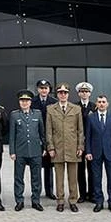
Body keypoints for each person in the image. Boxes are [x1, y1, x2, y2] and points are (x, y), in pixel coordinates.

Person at [46, 83, 83, 212]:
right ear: (57, 94)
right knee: (59, 177)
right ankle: (60, 201)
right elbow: (49, 131)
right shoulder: (51, 109)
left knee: (73, 177)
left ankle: (73, 200)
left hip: (72, 147)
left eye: (65, 92)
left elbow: (80, 130)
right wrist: (50, 147)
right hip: (58, 147)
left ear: (68, 94)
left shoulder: (76, 109)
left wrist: (80, 146)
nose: (63, 95)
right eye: (60, 92)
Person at [9, 89, 45, 211]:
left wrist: (44, 147)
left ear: (30, 102)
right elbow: (12, 135)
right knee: (19, 178)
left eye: (27, 101)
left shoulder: (37, 114)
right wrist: (12, 151)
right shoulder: (14, 115)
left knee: (36, 178)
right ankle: (19, 201)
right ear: (19, 102)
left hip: (35, 151)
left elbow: (42, 133)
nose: (24, 103)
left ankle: (36, 201)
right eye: (22, 101)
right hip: (20, 151)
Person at [84, 95, 111, 213]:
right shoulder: (91, 118)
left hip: (110, 153)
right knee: (96, 178)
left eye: (103, 102)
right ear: (96, 104)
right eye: (99, 102)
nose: (101, 104)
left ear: (107, 104)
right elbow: (88, 136)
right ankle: (99, 201)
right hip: (95, 153)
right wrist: (88, 151)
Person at [31, 79, 56, 199]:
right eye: (41, 88)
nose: (44, 90)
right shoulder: (32, 102)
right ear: (38, 89)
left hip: (50, 137)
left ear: (49, 90)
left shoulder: (54, 102)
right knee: (35, 166)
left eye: (46, 88)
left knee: (49, 166)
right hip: (36, 137)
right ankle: (36, 191)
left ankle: (49, 191)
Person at [75, 82, 97, 203]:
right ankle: (82, 194)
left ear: (90, 93)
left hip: (92, 143)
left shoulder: (95, 107)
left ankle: (92, 194)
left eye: (86, 91)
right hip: (78, 143)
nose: (84, 93)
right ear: (79, 93)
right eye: (82, 91)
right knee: (80, 170)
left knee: (92, 170)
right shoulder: (74, 106)